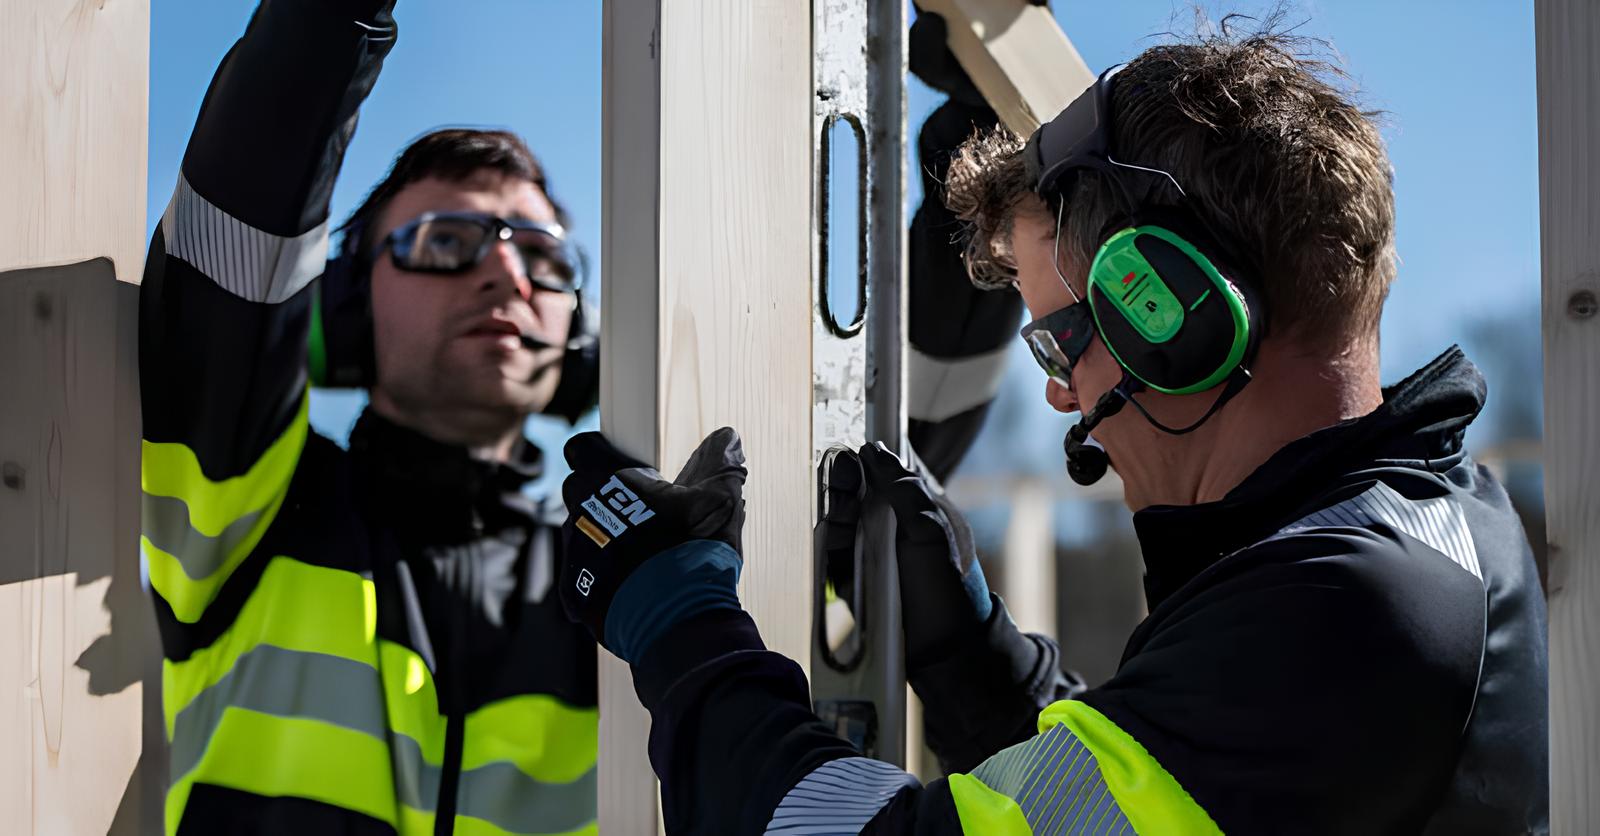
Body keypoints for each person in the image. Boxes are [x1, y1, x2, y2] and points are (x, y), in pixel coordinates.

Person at [553, 20, 1549, 835]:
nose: (1061, 397)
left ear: (1174, 315)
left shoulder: (1353, 604)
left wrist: (679, 621)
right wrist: (975, 659)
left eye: (1058, 342)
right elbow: (1142, 799)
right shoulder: (1418, 528)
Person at [139, 1, 599, 832]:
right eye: (445, 242)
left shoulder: (624, 586)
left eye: (543, 255)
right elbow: (241, 219)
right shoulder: (249, 505)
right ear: (345, 309)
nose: (505, 271)